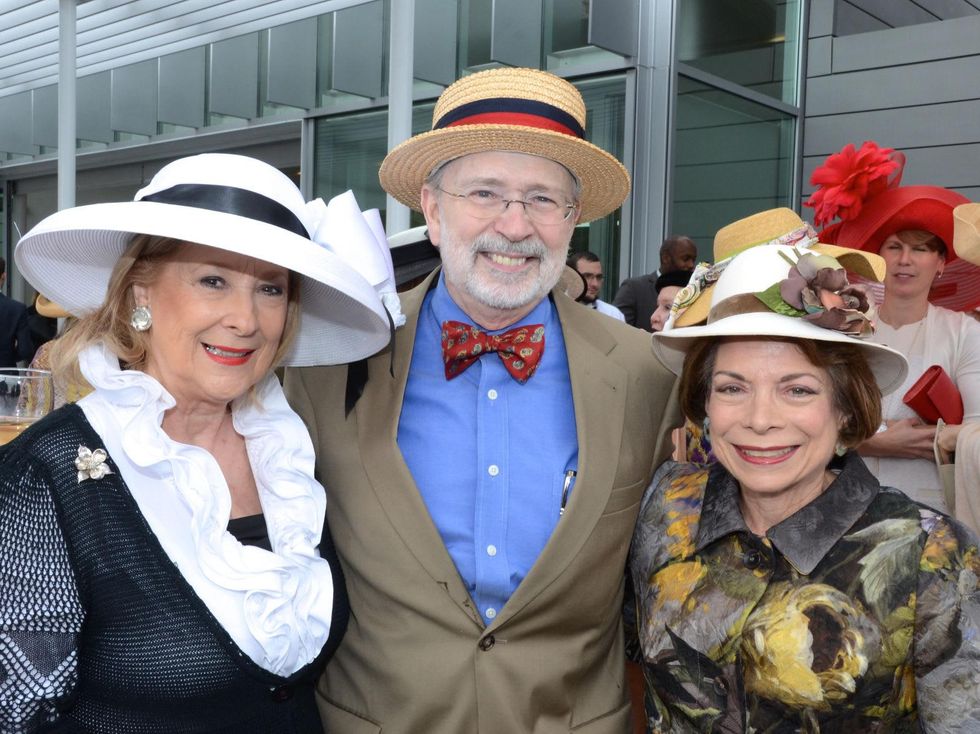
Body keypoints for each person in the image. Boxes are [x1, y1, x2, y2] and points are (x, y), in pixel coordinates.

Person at [284, 67, 680, 733]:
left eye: (543, 200)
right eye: (485, 193)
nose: (515, 224)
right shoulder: (328, 359)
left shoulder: (649, 374)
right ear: (432, 211)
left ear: (572, 219)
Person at [1, 154, 393, 732]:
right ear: (141, 294)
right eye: (213, 280)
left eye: (270, 289)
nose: (246, 318)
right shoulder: (44, 478)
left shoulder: (287, 450)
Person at [631, 214, 980, 731]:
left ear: (845, 411)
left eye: (797, 389)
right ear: (704, 404)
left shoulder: (932, 556)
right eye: (732, 387)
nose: (760, 419)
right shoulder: (666, 504)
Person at [807, 141, 980, 514]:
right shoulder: (848, 328)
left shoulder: (965, 332)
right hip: (845, 503)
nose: (905, 260)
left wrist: (912, 437)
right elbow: (812, 416)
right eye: (894, 247)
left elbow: (976, 432)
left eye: (919, 249)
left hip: (932, 511)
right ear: (878, 258)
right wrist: (875, 440)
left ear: (940, 264)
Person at [613, 235, 696, 331]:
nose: (691, 265)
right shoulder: (634, 288)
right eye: (685, 259)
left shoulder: (695, 290)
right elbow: (617, 330)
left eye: (693, 260)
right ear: (666, 258)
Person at [567, 250, 626, 320]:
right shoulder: (556, 309)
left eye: (599, 277)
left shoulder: (612, 314)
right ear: (570, 277)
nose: (595, 284)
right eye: (587, 276)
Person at [0, 257, 33, 367]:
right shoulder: (17, 309)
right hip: (6, 376)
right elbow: (25, 350)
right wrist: (7, 357)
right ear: (3, 276)